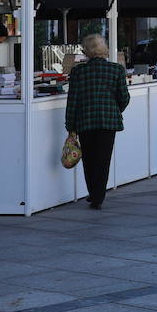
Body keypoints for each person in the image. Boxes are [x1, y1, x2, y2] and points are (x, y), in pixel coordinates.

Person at [65, 34, 130, 209]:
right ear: (103, 49)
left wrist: (70, 126)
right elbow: (124, 97)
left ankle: (94, 193)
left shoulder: (78, 72)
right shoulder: (116, 70)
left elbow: (73, 100)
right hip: (108, 122)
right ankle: (98, 196)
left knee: (89, 159)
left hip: (85, 121)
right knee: (103, 159)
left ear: (86, 51)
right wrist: (115, 110)